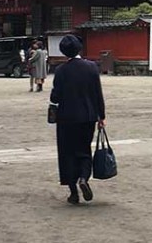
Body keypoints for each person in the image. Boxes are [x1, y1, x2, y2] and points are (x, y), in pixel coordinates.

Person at [49, 35, 106, 204]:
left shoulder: (61, 70)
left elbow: (55, 96)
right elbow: (98, 93)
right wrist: (101, 116)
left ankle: (73, 193)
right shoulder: (91, 67)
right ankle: (83, 178)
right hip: (87, 116)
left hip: (66, 117)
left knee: (67, 153)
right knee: (84, 150)